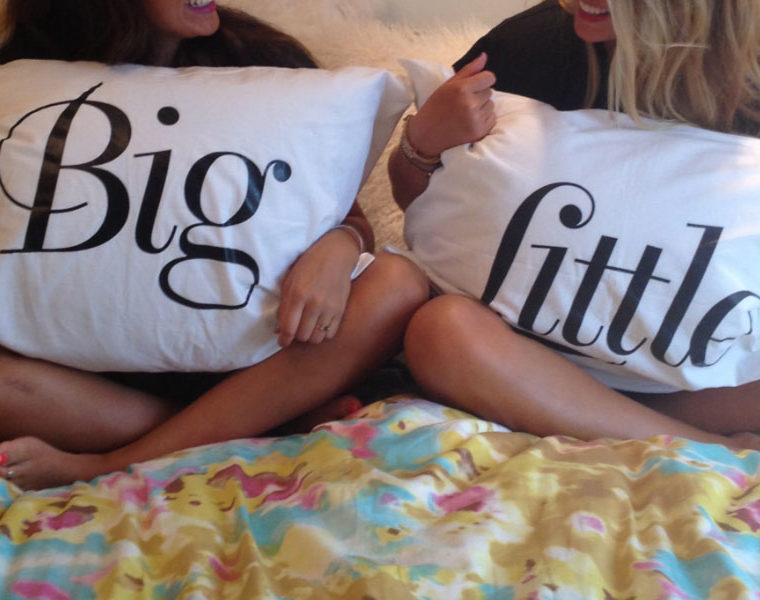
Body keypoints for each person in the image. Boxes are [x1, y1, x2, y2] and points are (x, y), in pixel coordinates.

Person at [0, 0, 430, 490]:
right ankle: (254, 430)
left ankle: (110, 462)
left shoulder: (265, 61)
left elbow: (347, 217)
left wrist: (341, 245)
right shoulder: (18, 77)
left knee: (399, 282)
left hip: (260, 362)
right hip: (89, 380)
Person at [389, 0, 760, 451]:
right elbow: (418, 206)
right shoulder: (529, 45)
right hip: (523, 358)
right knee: (439, 330)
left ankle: (610, 417)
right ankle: (703, 445)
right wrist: (421, 144)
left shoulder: (747, 81)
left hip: (683, 385)